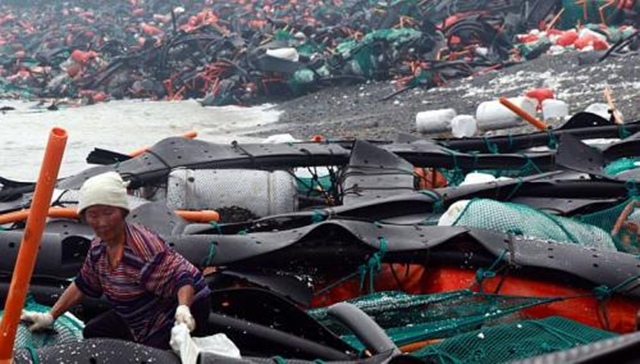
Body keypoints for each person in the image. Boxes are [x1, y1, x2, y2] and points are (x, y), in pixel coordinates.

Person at [21, 172, 211, 349]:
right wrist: (50, 316)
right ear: (84, 217)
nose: (102, 222)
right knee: (93, 332)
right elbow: (83, 284)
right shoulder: (98, 247)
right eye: (93, 215)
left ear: (122, 212)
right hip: (137, 311)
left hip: (178, 307)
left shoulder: (143, 249)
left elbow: (182, 279)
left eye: (108, 213)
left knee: (149, 353)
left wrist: (184, 308)